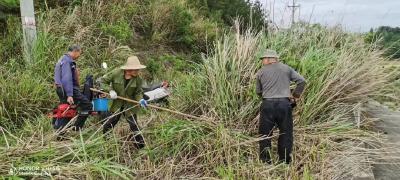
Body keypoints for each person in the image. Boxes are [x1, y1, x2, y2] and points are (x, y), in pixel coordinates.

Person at [256, 49, 306, 164]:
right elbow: (302, 81)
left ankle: (265, 161)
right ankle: (284, 161)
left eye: (263, 59)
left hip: (267, 105)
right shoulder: (286, 68)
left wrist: (267, 96)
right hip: (284, 105)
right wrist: (295, 96)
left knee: (265, 134)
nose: (262, 62)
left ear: (268, 59)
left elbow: (258, 92)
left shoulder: (261, 72)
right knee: (286, 133)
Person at [98, 56, 158, 149]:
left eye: (138, 69)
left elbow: (138, 92)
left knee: (134, 125)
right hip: (116, 103)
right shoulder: (116, 73)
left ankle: (140, 147)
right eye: (136, 69)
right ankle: (105, 142)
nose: (138, 71)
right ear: (129, 69)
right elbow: (102, 81)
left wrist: (140, 99)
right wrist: (110, 90)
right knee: (110, 123)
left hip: (129, 105)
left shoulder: (138, 79)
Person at [53, 45, 93, 131]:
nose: (79, 56)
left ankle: (59, 129)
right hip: (69, 89)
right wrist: (70, 94)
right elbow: (67, 79)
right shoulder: (68, 61)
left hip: (61, 88)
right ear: (75, 51)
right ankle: (76, 128)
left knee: (67, 108)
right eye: (79, 53)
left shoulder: (62, 59)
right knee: (87, 105)